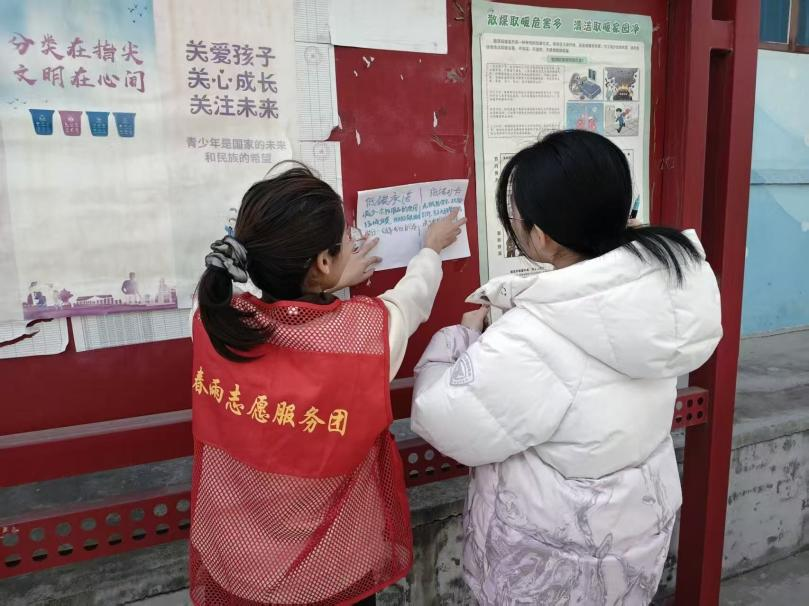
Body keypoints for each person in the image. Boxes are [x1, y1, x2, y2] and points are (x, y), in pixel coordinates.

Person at [411, 130, 722, 605]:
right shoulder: (658, 291)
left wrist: (460, 339)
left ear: (541, 236)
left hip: (552, 567)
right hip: (630, 549)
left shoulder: (535, 336)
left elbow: (444, 417)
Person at [189, 165, 465, 606]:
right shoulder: (365, 337)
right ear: (322, 262)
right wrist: (430, 248)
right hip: (334, 569)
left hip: (239, 563)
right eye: (342, 244)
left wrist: (325, 280)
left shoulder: (211, 323)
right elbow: (411, 298)